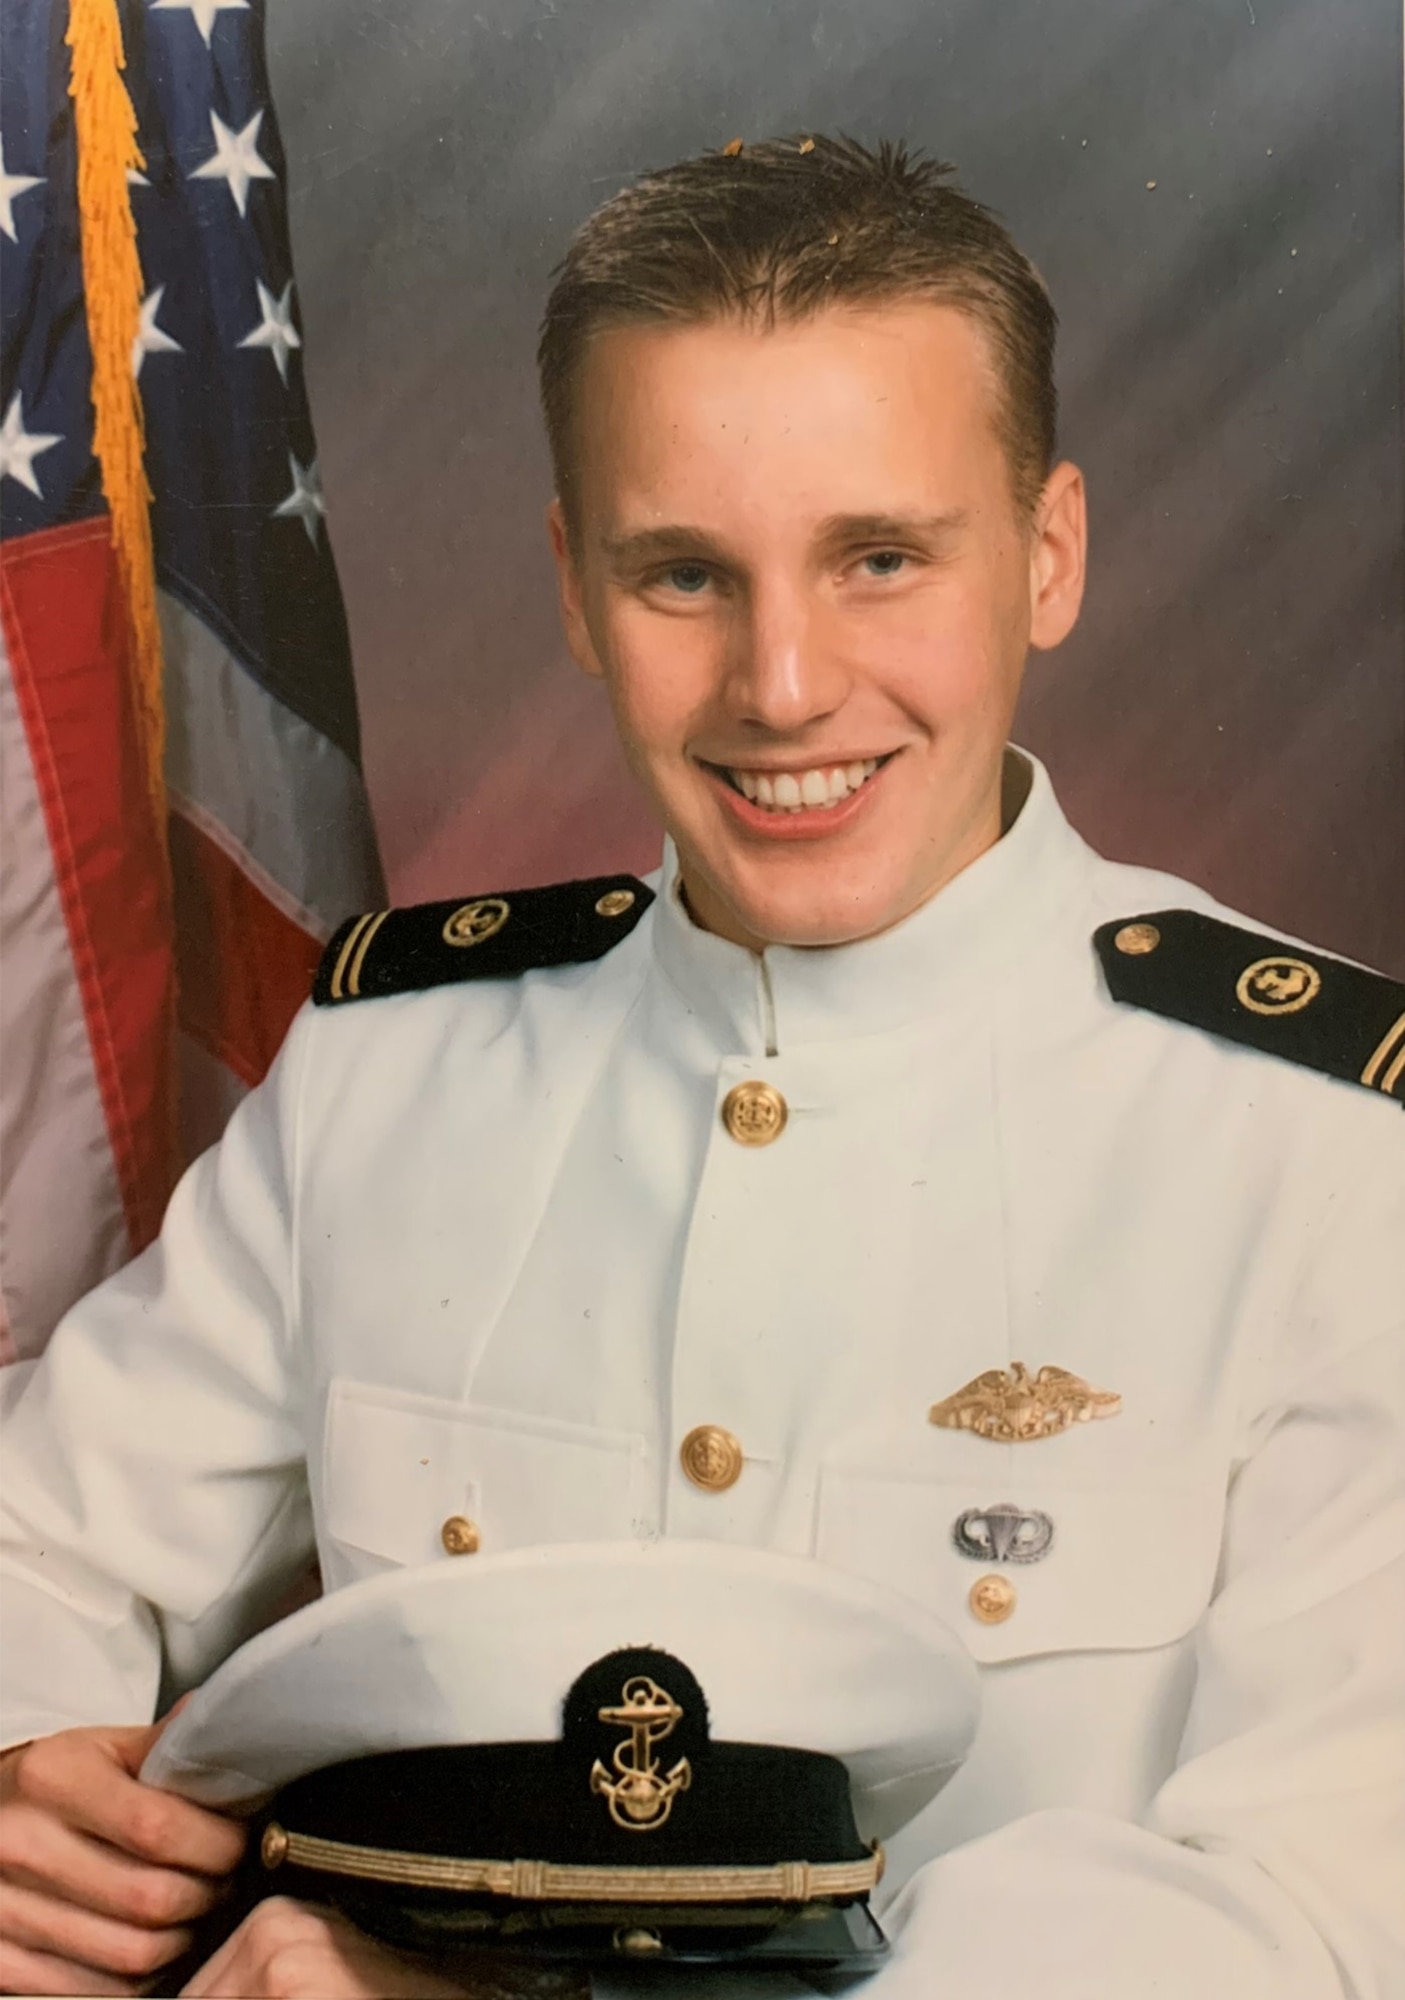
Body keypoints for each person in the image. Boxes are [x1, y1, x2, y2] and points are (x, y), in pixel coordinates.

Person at [1, 134, 1401, 2000]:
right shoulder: (388, 1073)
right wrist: (29, 1779)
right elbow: (42, 1540)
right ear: (574, 588)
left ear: (1048, 557)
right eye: (683, 576)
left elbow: (1310, 1911)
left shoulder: (1323, 1153)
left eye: (880, 556)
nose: (786, 683)